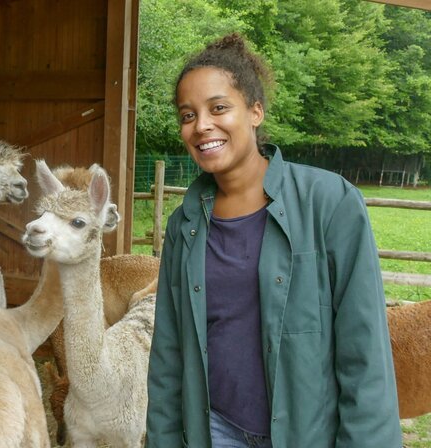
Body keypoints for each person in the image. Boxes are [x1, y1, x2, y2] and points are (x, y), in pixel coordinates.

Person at [146, 33, 402, 447]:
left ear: (255, 111)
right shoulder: (184, 225)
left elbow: (365, 351)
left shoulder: (329, 203)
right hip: (216, 431)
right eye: (188, 115)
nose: (202, 125)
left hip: (308, 435)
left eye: (218, 108)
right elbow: (168, 355)